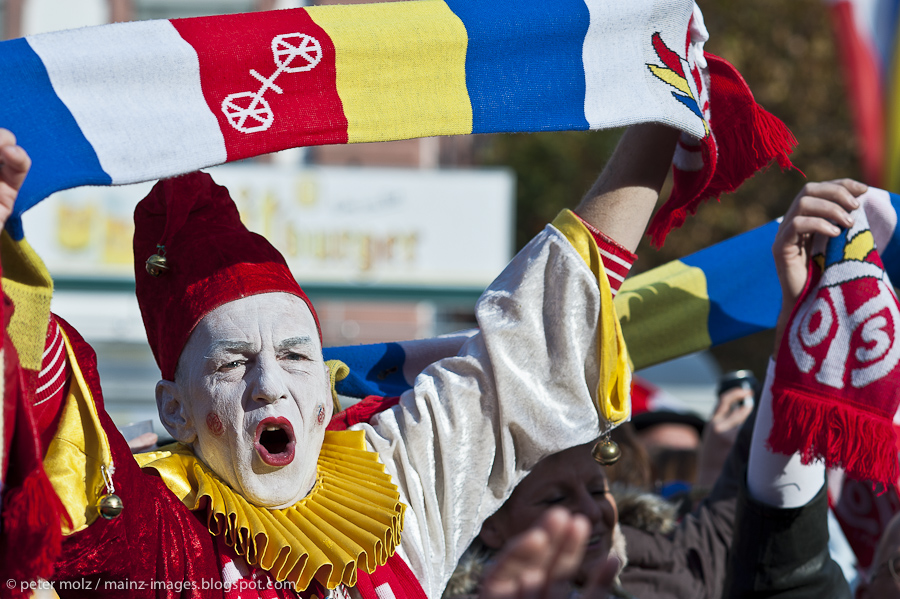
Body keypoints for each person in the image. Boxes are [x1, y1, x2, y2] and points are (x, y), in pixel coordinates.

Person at [0, 123, 680, 599]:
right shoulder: (161, 538)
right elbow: (59, 438)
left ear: (324, 396)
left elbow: (536, 343)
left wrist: (658, 115)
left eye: (296, 354)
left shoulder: (397, 479)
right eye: (233, 363)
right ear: (175, 408)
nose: (272, 385)